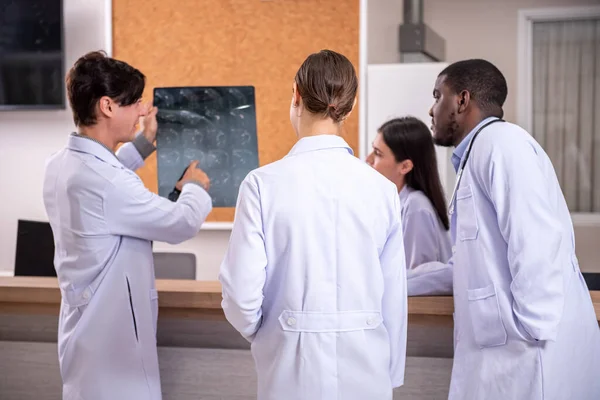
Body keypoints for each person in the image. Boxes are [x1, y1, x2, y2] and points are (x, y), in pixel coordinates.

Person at [219, 50, 407, 400]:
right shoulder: (383, 190)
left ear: (296, 96)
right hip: (368, 374)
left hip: (290, 371)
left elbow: (240, 296)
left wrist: (275, 333)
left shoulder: (262, 184)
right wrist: (391, 371)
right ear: (349, 108)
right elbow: (393, 296)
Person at [43, 51, 213, 400]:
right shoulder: (108, 183)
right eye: (134, 102)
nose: (141, 110)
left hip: (86, 342)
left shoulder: (60, 165)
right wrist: (195, 187)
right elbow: (181, 223)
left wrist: (143, 143)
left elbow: (106, 182)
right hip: (113, 357)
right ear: (107, 106)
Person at [427, 58, 600, 400]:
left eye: (437, 96)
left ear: (462, 100)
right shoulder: (481, 152)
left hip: (529, 353)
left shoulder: (503, 146)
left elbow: (536, 244)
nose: (431, 109)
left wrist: (530, 331)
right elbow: (469, 264)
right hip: (505, 352)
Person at [366, 116, 452, 295]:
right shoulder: (398, 202)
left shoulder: (416, 206)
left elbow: (418, 282)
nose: (369, 159)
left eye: (378, 153)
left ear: (405, 166)